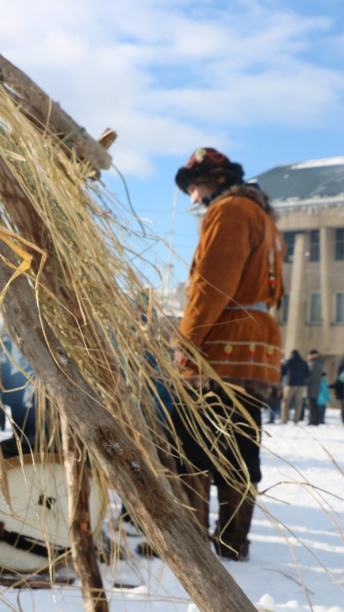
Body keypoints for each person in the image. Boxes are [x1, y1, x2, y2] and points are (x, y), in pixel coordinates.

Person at [172, 148, 285, 561]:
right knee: (239, 444)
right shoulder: (265, 218)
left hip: (222, 346)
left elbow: (210, 285)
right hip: (254, 346)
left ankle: (191, 542)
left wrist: (187, 342)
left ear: (214, 181)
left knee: (194, 442)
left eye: (196, 187)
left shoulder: (232, 211)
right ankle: (232, 541)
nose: (195, 198)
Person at [280, 350, 309, 424]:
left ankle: (284, 419)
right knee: (299, 403)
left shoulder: (289, 362)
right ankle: (296, 419)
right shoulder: (304, 363)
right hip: (300, 385)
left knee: (285, 402)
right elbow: (307, 374)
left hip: (290, 384)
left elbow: (283, 372)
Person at [305, 350, 325, 425]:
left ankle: (313, 420)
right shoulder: (319, 362)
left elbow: (310, 377)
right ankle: (315, 420)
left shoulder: (314, 364)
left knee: (312, 404)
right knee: (314, 404)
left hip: (312, 386)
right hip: (316, 386)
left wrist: (305, 382)